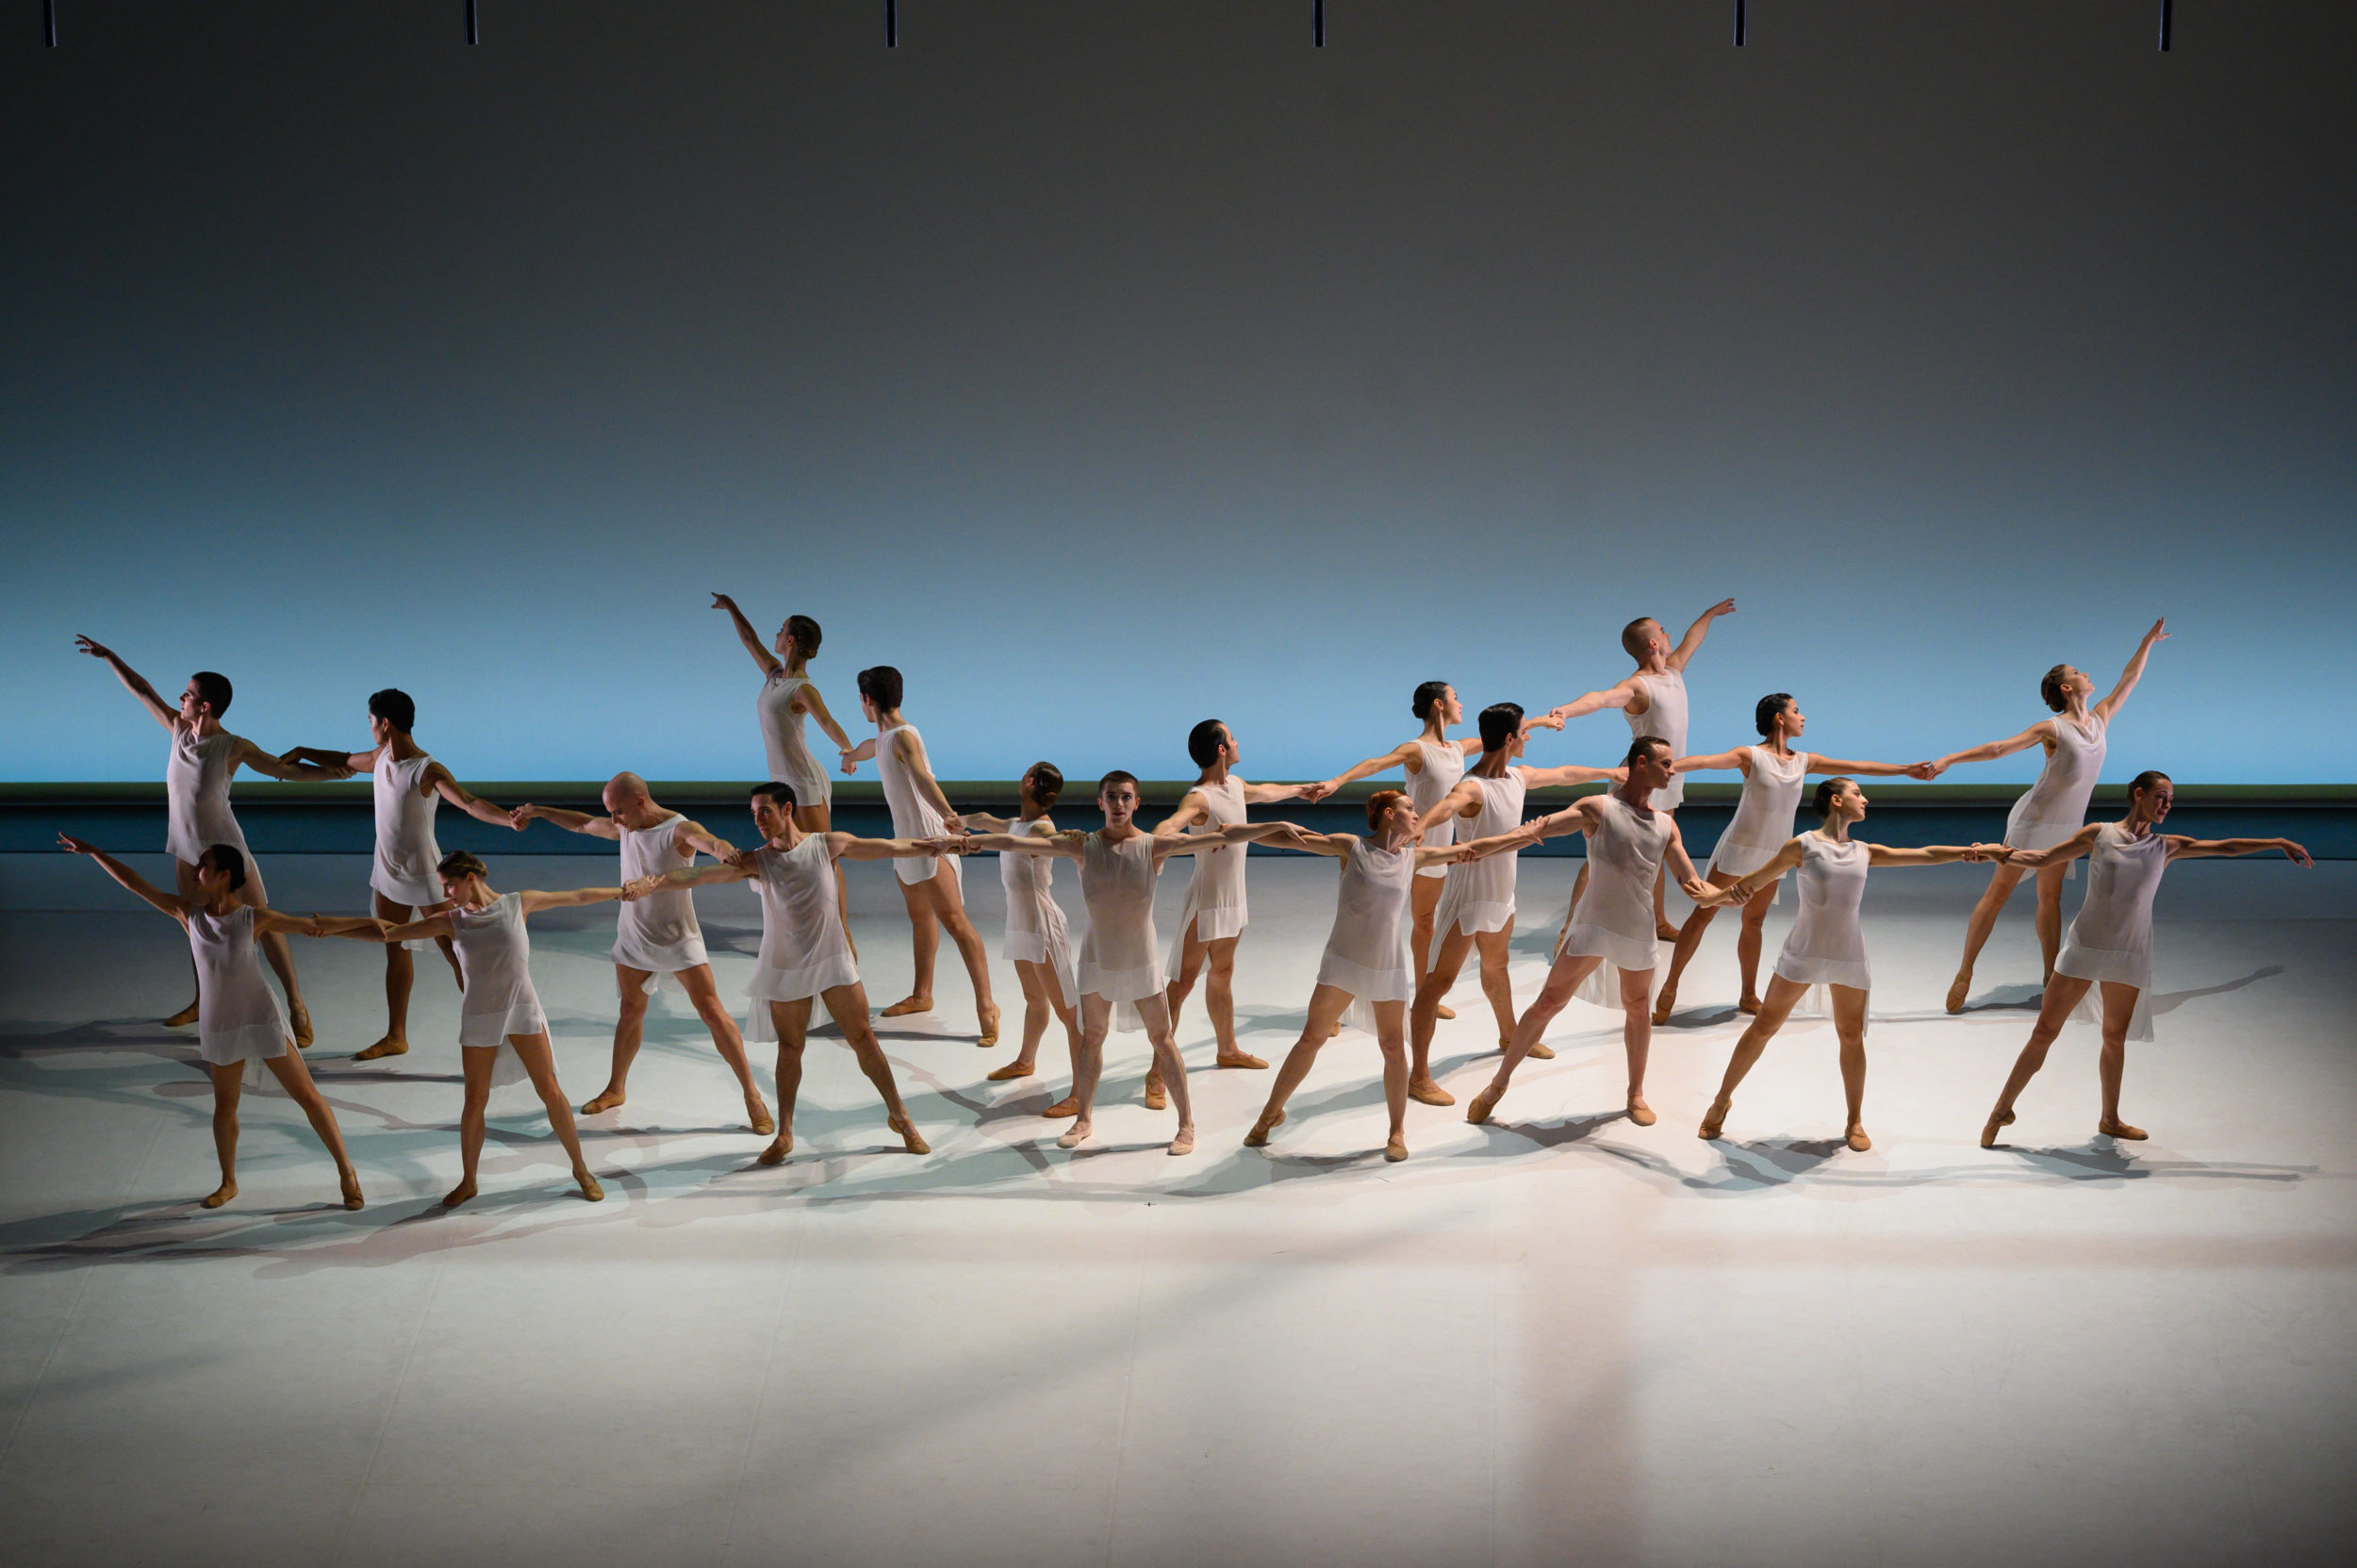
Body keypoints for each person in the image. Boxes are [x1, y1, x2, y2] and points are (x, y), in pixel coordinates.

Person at [934, 772, 1294, 1156]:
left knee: (1162, 1038)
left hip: (1141, 958)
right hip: (1097, 958)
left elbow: (1221, 836)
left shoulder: (1153, 846)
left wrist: (1276, 826)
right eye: (1111, 797)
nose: (1119, 804)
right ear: (1100, 803)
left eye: (1126, 797)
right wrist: (965, 841)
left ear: (1136, 803)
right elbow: (1010, 839)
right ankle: (1084, 1119)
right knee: (1092, 1037)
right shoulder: (1084, 846)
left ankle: (1186, 1124)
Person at [1979, 770, 2309, 1149]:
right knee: (2044, 1032)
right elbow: (2042, 858)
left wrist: (2277, 841)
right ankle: (2000, 1110)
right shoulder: (2098, 834)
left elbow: (2226, 846)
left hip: (2130, 952)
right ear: (2139, 794)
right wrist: (1995, 851)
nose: (2167, 804)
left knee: (2114, 1037)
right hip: (2085, 945)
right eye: (2161, 797)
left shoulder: (2166, 846)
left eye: (2171, 800)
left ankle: (2110, 1119)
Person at [1689, 779, 2006, 1151]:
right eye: (1858, 793)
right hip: (1804, 950)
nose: (1865, 799)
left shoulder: (1864, 850)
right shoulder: (1802, 845)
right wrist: (1717, 897)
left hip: (1848, 952)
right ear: (1837, 801)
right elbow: (1753, 883)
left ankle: (1854, 1120)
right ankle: (1721, 1100)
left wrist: (1972, 853)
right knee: (1763, 1028)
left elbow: (1923, 854)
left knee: (1851, 1036)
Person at [639, 782, 947, 1164]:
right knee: (791, 1049)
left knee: (864, 1038)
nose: (757, 821)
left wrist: (941, 844)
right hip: (787, 965)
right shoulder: (757, 860)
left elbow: (887, 846)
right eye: (753, 814)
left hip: (831, 958)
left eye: (764, 811)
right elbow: (699, 877)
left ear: (787, 809)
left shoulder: (826, 844)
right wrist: (654, 883)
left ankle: (899, 1116)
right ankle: (785, 1134)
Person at [56, 834, 366, 1211]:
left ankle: (347, 1172)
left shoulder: (253, 917)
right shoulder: (189, 915)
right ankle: (228, 1182)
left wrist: (367, 928)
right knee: (225, 1106)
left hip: (259, 1016)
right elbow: (135, 884)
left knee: (306, 1095)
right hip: (219, 1023)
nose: (194, 871)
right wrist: (96, 853)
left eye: (203, 865)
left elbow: (309, 927)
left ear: (223, 876)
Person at [74, 635, 352, 1045]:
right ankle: (203, 999)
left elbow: (284, 771)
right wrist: (110, 657)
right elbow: (141, 690)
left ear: (205, 705)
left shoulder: (232, 746)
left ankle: (296, 1003)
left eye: (187, 694)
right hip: (186, 849)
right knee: (194, 925)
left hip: (226, 849)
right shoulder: (177, 730)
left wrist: (334, 773)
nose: (180, 698)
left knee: (265, 922)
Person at [347, 851, 641, 1207]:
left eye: (450, 885)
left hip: (522, 1010)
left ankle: (581, 1170)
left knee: (550, 1091)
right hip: (480, 1016)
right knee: (475, 1100)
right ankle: (469, 1180)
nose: (446, 894)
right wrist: (327, 928)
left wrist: (621, 891)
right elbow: (390, 933)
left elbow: (577, 896)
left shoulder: (518, 904)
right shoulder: (451, 920)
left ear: (471, 878)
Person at [1242, 793, 1525, 1162]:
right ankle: (1267, 1116)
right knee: (1311, 1039)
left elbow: (1474, 848)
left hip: (1386, 966)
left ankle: (1396, 1132)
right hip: (1343, 961)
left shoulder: (1412, 859)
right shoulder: (1352, 847)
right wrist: (1239, 834)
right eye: (1410, 809)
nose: (1417, 815)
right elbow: (1292, 839)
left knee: (1393, 1047)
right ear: (1389, 814)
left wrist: (1522, 836)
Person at [1465, 737, 1712, 1130]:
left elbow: (1690, 881)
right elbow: (1535, 831)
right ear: (1642, 763)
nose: (1673, 770)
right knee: (1549, 1001)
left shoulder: (1666, 824)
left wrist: (1727, 895)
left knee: (1638, 1011)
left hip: (1636, 928)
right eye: (1666, 763)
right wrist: (1477, 849)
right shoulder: (1599, 807)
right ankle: (1497, 1086)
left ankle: (1634, 1094)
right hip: (1593, 924)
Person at [509, 773, 775, 1133]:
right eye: (611, 814)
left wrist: (724, 850)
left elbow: (709, 841)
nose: (614, 821)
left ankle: (752, 1094)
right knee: (630, 1011)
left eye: (618, 812)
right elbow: (583, 824)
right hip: (634, 935)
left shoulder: (678, 829)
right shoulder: (626, 827)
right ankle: (615, 1088)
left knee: (712, 1012)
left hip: (678, 937)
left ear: (640, 801)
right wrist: (538, 810)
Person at [1651, 693, 1937, 1023]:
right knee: (1703, 915)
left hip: (1775, 853)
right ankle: (1671, 985)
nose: (1803, 717)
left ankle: (1747, 994)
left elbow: (1857, 767)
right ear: (1779, 718)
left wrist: (1905, 770)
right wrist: (1669, 766)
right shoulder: (1751, 756)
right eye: (1796, 711)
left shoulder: (1805, 761)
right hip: (1741, 846)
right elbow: (1705, 761)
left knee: (1753, 922)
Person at [1933, 619, 2168, 1012]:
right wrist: (1950, 759)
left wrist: (2146, 643)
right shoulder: (2052, 728)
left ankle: (2049, 979)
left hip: (2066, 825)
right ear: (2066, 687)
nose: (2087, 674)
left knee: (2051, 897)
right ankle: (1965, 971)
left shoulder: (2101, 717)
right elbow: (1998, 749)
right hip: (2035, 819)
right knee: (1998, 895)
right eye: (2078, 672)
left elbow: (2129, 679)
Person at [278, 688, 521, 1060]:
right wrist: (303, 752)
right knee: (393, 946)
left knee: (456, 953)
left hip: (426, 873)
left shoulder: (427, 769)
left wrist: (508, 819)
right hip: (387, 869)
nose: (370, 727)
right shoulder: (379, 757)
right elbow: (344, 761)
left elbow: (469, 803)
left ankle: (494, 1030)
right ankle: (396, 1036)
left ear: (385, 723)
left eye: (371, 721)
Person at [1405, 703, 1624, 1106]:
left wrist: (1609, 773)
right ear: (1509, 738)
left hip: (1501, 895)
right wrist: (1418, 828)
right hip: (1468, 898)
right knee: (1438, 984)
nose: (1527, 737)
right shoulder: (1473, 786)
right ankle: (1417, 1076)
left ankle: (1509, 1036)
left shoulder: (1517, 778)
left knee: (1496, 966)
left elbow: (1564, 775)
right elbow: (1448, 805)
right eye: (1524, 732)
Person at [1311, 682, 1564, 1020]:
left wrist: (1540, 722)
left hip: (1442, 850)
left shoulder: (1458, 748)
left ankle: (1421, 993)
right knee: (1374, 925)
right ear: (1438, 704)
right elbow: (1375, 764)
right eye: (1455, 697)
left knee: (1426, 923)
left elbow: (1504, 734)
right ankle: (1338, 1009)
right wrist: (1337, 782)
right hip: (1410, 844)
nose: (1461, 703)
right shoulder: (1417, 749)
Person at [1147, 719, 1328, 1098]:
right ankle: (1156, 1073)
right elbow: (1173, 824)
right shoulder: (1199, 798)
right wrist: (1156, 838)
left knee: (1223, 972)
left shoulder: (1236, 785)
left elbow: (1265, 793)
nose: (1237, 740)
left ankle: (1227, 1049)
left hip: (1234, 899)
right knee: (1180, 987)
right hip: (1206, 901)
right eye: (1232, 737)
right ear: (1221, 749)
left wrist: (1301, 790)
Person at [1543, 599, 1738, 941]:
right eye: (1663, 631)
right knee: (1603, 855)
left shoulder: (1674, 672)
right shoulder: (1636, 686)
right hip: (1637, 777)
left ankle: (1658, 921)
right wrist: (1567, 711)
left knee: (1662, 848)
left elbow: (1694, 638)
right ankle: (1570, 927)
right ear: (1652, 643)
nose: (1669, 635)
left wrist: (1709, 614)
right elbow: (1601, 698)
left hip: (1667, 777)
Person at [838, 665, 999, 1043]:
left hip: (930, 841)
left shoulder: (903, 737)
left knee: (957, 924)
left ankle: (987, 1006)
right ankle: (922, 995)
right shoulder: (885, 737)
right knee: (921, 919)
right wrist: (849, 756)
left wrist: (950, 819)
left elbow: (922, 778)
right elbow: (868, 747)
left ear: (867, 700)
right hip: (905, 845)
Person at [711, 593, 855, 931]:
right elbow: (750, 640)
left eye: (781, 630)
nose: (775, 635)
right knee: (792, 854)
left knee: (824, 856)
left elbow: (827, 722)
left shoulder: (802, 689)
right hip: (782, 781)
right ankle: (805, 924)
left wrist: (847, 752)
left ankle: (841, 930)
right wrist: (732, 607)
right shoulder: (774, 675)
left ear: (791, 640)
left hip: (804, 780)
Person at [953, 763, 1085, 1103]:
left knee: (1069, 1015)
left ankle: (1080, 1092)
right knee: (1034, 999)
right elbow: (988, 820)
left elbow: (1010, 840)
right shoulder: (1019, 823)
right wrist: (963, 822)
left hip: (1043, 927)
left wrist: (970, 840)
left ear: (1029, 783)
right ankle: (1026, 1062)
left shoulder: (1041, 830)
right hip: (1021, 924)